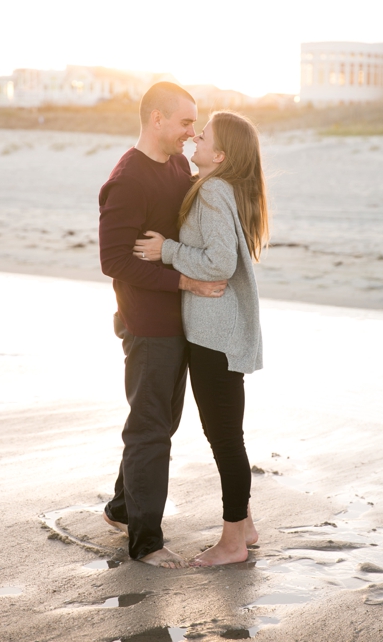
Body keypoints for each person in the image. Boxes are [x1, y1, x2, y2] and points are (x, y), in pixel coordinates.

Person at [98, 82, 227, 569]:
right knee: (151, 429)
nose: (191, 133)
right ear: (156, 119)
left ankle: (121, 507)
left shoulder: (175, 163)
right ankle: (145, 542)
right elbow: (113, 260)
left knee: (157, 423)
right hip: (148, 324)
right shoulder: (128, 178)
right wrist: (186, 283)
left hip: (178, 321)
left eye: (195, 124)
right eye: (185, 122)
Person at [135, 110, 268, 566]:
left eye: (203, 135)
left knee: (225, 439)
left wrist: (165, 250)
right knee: (230, 433)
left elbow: (219, 264)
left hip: (215, 335)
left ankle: (232, 544)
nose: (194, 139)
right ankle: (245, 526)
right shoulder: (224, 187)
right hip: (222, 331)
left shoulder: (212, 190)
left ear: (220, 154)